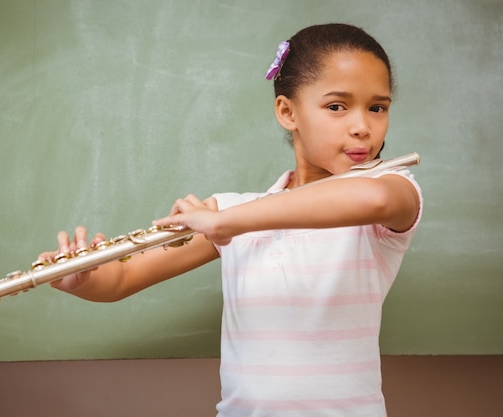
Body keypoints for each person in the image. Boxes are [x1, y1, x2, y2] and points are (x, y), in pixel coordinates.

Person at [40, 23, 422, 417]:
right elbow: (120, 280)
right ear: (288, 112)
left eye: (377, 107)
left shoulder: (393, 188)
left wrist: (228, 223)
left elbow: (374, 198)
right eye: (337, 106)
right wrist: (80, 280)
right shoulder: (229, 211)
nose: (362, 126)